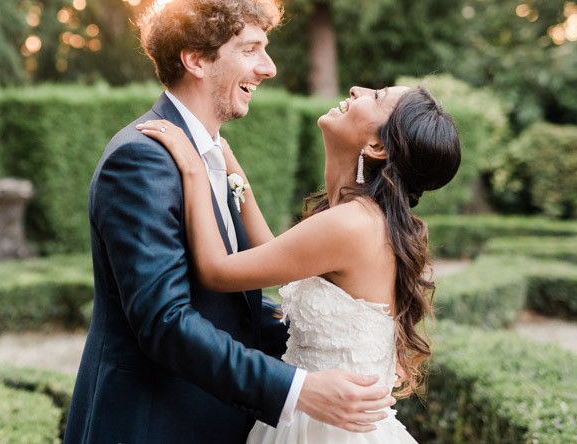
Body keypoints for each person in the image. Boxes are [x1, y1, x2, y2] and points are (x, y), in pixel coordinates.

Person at [63, 0, 395, 444]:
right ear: (197, 60)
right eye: (251, 49)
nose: (269, 68)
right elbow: (165, 323)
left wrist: (330, 347)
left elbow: (222, 304)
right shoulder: (142, 158)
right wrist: (298, 388)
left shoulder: (210, 155)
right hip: (151, 424)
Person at [138, 82, 461, 443]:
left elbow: (217, 271)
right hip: (316, 419)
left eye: (376, 96)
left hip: (327, 428)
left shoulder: (352, 224)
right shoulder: (359, 218)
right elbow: (275, 255)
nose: (357, 89)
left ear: (377, 146)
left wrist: (195, 171)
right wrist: (225, 160)